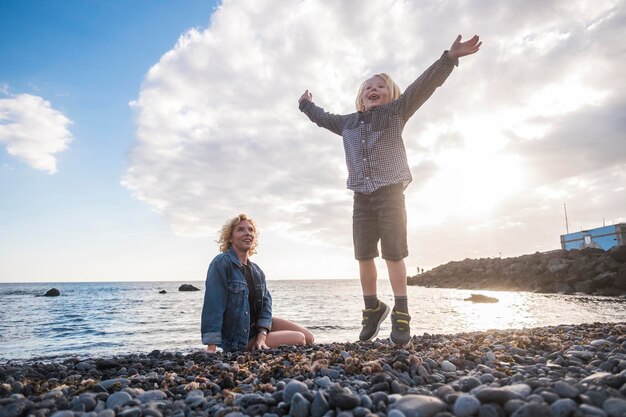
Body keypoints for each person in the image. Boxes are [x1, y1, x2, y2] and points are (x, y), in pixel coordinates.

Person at [298, 35, 481, 346]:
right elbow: (322, 118)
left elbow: (424, 86)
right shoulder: (347, 124)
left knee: (394, 254)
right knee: (363, 255)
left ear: (391, 94)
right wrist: (305, 104)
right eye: (368, 86)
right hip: (361, 197)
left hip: (391, 193)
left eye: (381, 86)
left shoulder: (397, 112)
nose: (373, 89)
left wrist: (449, 58)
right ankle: (372, 308)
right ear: (360, 98)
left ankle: (401, 312)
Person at [201, 214, 315, 352]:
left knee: (310, 338)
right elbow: (213, 305)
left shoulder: (256, 271)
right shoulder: (221, 263)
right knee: (299, 338)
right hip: (240, 338)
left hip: (258, 328)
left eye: (250, 230)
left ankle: (263, 338)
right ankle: (251, 344)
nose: (247, 233)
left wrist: (262, 335)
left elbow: (266, 305)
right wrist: (211, 347)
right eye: (240, 230)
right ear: (230, 238)